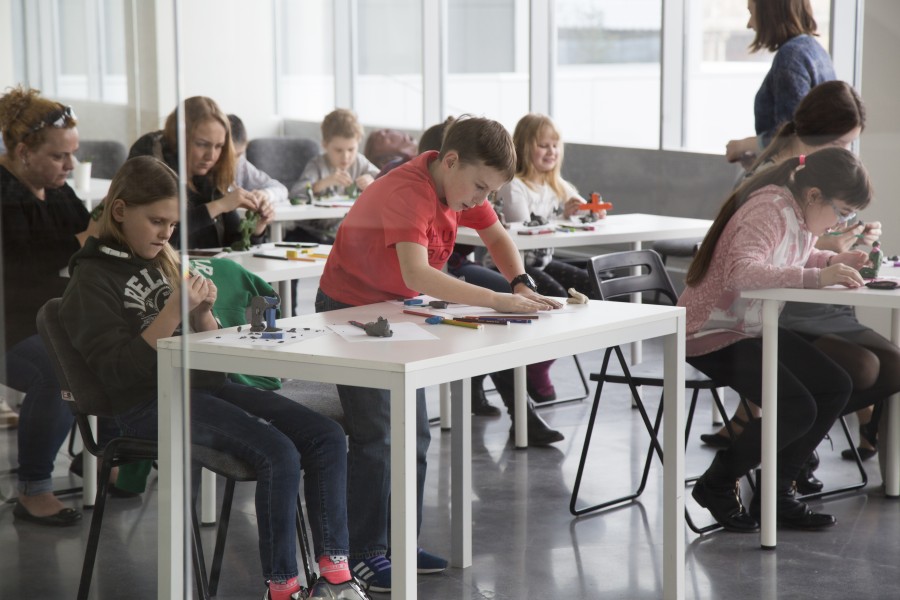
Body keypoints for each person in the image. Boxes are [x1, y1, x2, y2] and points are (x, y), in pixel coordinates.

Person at [58, 155, 368, 600]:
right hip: (145, 403)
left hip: (204, 386)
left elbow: (211, 356)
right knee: (278, 453)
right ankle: (282, 587)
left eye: (172, 224)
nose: (166, 234)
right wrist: (173, 311)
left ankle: (334, 575)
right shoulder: (90, 280)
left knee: (327, 436)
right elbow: (119, 374)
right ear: (120, 211)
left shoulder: (165, 260)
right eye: (157, 221)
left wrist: (204, 315)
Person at [315, 115, 563, 592]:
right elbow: (417, 274)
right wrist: (496, 299)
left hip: (395, 308)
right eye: (480, 188)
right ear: (450, 162)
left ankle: (399, 544)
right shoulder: (409, 191)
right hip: (350, 309)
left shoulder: (459, 185)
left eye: (491, 191)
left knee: (415, 435)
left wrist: (519, 282)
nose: (482, 199)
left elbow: (497, 237)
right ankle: (365, 553)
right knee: (378, 434)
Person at [702, 81, 900, 491]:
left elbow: (805, 243)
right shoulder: (772, 189)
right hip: (772, 311)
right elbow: (755, 264)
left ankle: (792, 449)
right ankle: (787, 451)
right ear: (818, 134)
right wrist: (827, 256)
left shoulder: (808, 181)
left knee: (886, 367)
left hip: (805, 303)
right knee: (852, 375)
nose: (847, 151)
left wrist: (843, 246)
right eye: (842, 142)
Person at [682, 147, 873, 532]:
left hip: (748, 327)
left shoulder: (798, 213)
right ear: (815, 195)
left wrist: (829, 262)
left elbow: (790, 257)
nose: (841, 223)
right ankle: (718, 482)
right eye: (841, 212)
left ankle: (778, 491)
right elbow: (742, 272)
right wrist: (816, 277)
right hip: (709, 330)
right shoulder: (769, 209)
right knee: (797, 407)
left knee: (835, 385)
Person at [0, 85, 98, 526]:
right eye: (59, 156)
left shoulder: (56, 191)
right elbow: (22, 265)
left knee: (122, 348)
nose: (70, 166)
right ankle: (34, 488)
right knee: (59, 372)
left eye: (72, 154)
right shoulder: (4, 193)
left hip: (47, 318)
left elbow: (88, 236)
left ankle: (97, 456)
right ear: (24, 152)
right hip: (9, 325)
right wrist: (85, 240)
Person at [494, 113, 601, 404]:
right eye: (543, 145)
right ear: (523, 147)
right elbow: (523, 228)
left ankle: (542, 360)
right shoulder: (514, 185)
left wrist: (589, 211)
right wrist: (562, 216)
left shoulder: (558, 185)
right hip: (516, 267)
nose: (551, 151)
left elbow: (581, 211)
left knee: (591, 287)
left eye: (555, 145)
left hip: (542, 263)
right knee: (554, 297)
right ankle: (536, 365)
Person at [128, 96, 274, 249]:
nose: (211, 156)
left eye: (219, 146)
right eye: (202, 144)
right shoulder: (150, 157)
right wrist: (218, 206)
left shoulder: (214, 173)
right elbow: (158, 238)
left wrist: (256, 228)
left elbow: (235, 245)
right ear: (178, 139)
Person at [725, 0, 835, 166]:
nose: (749, 24)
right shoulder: (815, 50)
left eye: (751, 13)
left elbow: (789, 136)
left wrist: (742, 145)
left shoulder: (790, 57)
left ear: (769, 12)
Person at [287, 108, 380, 244]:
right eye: (338, 150)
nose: (346, 157)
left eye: (351, 149)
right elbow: (295, 195)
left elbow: (387, 183)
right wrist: (322, 184)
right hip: (311, 234)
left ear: (358, 142)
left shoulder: (360, 162)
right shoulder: (317, 165)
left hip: (345, 234)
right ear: (325, 145)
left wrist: (373, 183)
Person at [227, 113, 289, 206]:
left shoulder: (242, 165)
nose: (233, 162)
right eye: (228, 156)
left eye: (238, 155)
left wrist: (265, 194)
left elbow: (281, 189)